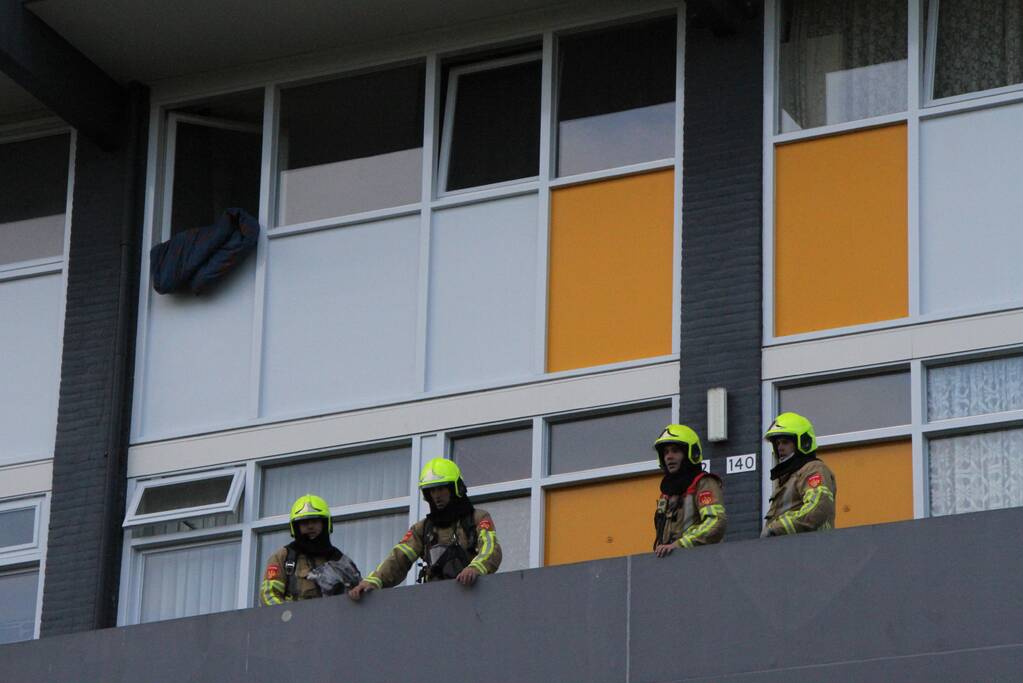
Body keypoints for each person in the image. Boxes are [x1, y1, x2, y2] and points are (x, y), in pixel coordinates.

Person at [348, 458, 501, 600]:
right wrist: (374, 581)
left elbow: (490, 548)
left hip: (473, 595)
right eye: (432, 491)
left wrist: (475, 568)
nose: (436, 496)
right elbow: (398, 558)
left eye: (441, 489)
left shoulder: (477, 518)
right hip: (434, 600)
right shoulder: (422, 529)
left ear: (456, 489)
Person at [260, 494, 360, 605]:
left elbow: (359, 597)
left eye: (315, 521)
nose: (310, 526)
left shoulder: (340, 560)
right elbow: (268, 596)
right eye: (304, 522)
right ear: (296, 527)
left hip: (333, 620)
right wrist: (290, 618)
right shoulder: (284, 557)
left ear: (326, 524)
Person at [652, 424, 726, 557]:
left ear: (690, 453)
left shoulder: (703, 484)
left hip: (701, 560)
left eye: (675, 451)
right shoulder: (666, 494)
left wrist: (680, 544)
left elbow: (715, 523)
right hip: (674, 563)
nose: (669, 456)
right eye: (666, 452)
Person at [761, 412, 837, 537]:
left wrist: (776, 529)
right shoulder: (787, 477)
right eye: (778, 443)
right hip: (790, 548)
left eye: (785, 442)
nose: (780, 448)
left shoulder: (813, 469)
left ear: (803, 442)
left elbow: (818, 508)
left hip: (811, 546)